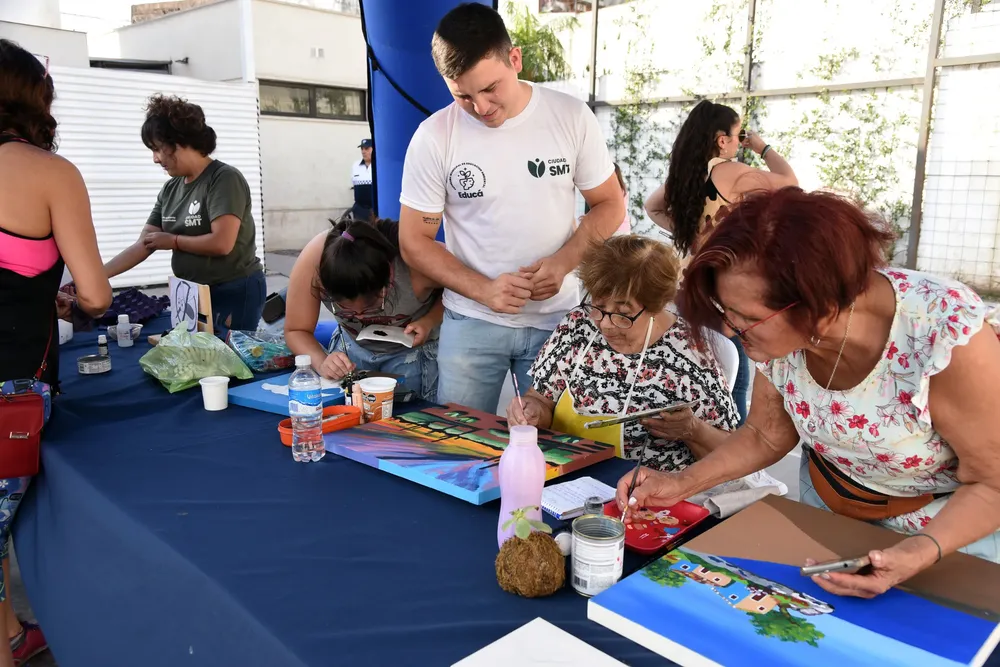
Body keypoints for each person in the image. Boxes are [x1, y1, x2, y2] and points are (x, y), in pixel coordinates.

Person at [617, 187, 1000, 600]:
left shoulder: (942, 334)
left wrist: (919, 551)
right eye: (725, 311)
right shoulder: (780, 341)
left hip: (943, 535)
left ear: (820, 304)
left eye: (746, 317)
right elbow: (766, 434)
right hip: (825, 512)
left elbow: (991, 483)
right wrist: (680, 484)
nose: (729, 328)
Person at [399, 3, 625, 414]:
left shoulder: (570, 116)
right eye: (463, 95)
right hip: (470, 321)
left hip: (559, 320)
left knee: (559, 450)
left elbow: (610, 204)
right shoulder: (434, 137)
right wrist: (484, 290)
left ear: (515, 59)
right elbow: (414, 241)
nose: (481, 107)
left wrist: (562, 264)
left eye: (491, 88)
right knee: (461, 449)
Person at [0, 39, 112, 667]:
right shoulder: (46, 171)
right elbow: (94, 292)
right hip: (10, 384)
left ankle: (15, 632)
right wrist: (66, 297)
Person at [506, 236, 738, 471]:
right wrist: (531, 411)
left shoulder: (692, 353)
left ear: (656, 306)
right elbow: (540, 399)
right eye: (599, 307)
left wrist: (693, 430)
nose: (605, 324)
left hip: (647, 493)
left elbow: (732, 453)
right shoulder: (578, 325)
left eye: (623, 313)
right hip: (563, 476)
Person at [644, 100, 797, 427]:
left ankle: (705, 446)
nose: (741, 141)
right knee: (736, 381)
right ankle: (732, 455)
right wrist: (762, 147)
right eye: (738, 135)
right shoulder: (728, 171)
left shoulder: (686, 175)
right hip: (721, 293)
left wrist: (694, 233)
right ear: (722, 139)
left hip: (686, 290)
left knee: (701, 376)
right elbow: (789, 183)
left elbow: (652, 207)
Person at [98, 94, 265, 337]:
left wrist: (174, 241)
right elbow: (144, 244)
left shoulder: (223, 178)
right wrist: (96, 276)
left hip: (232, 290)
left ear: (180, 141)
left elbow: (222, 243)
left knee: (229, 363)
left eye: (157, 149)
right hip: (190, 291)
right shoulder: (170, 188)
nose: (155, 159)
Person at [284, 218, 442, 401]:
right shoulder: (315, 261)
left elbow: (461, 289)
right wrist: (322, 362)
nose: (358, 315)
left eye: (370, 306)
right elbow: (296, 330)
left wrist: (430, 320)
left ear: (388, 279)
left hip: (414, 359)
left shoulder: (414, 263)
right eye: (345, 309)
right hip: (350, 352)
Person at [350, 138, 374, 221]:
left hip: (375, 209)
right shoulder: (355, 166)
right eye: (362, 149)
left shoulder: (379, 166)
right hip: (360, 210)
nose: (363, 151)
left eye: (367, 149)